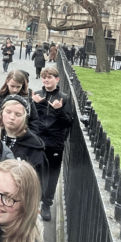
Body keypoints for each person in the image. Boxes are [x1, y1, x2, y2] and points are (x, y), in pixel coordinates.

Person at [32, 65, 73, 221]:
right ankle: (33, 201)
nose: (46, 80)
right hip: (39, 139)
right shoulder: (37, 95)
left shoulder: (64, 97)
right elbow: (34, 119)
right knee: (36, 171)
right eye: (44, 77)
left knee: (52, 174)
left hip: (55, 141)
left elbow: (68, 122)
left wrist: (59, 110)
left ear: (57, 79)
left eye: (49, 77)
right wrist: (36, 104)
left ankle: (46, 204)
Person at [0, 98, 48, 189]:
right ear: (2, 112)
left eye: (18, 114)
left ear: (24, 117)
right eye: (8, 112)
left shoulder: (33, 147)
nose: (12, 117)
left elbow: (39, 183)